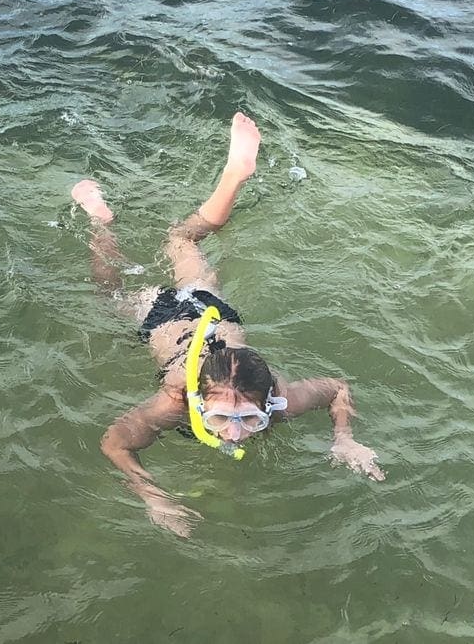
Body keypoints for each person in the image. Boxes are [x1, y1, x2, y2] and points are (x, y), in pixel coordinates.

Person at [71, 112, 384, 538]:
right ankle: (99, 222)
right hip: (163, 315)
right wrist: (153, 497)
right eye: (220, 419)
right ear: (199, 401)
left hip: (212, 312)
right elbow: (115, 443)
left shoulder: (282, 401)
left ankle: (233, 176)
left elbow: (337, 387)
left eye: (249, 420)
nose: (235, 435)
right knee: (112, 289)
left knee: (179, 240)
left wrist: (345, 438)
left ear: (267, 402)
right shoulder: (175, 402)